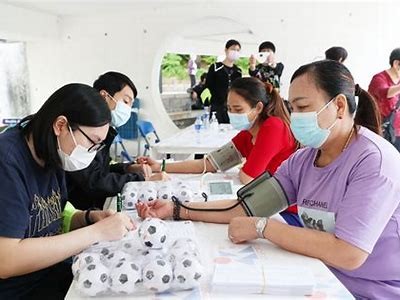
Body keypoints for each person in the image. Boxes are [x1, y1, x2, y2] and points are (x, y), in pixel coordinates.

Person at [137, 60, 400, 299]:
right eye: (292, 107)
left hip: (366, 289)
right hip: (316, 271)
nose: (295, 117)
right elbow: (245, 207)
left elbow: (349, 252)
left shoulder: (374, 161)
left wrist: (264, 228)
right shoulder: (304, 160)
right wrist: (176, 209)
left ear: (339, 106)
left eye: (303, 107)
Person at [0, 83, 135, 299]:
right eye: (92, 143)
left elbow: (52, 219)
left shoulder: (52, 153)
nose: (91, 153)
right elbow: (6, 259)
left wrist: (89, 218)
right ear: (61, 125)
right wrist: (97, 232)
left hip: (50, 273)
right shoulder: (7, 162)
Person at [139, 77, 299, 225]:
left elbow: (248, 177)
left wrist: (242, 169)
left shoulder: (274, 127)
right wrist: (161, 166)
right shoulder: (247, 133)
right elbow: (210, 163)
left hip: (284, 212)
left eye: (237, 109)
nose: (232, 114)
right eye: (229, 108)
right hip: (264, 204)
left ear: (257, 108)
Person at [66, 72, 164, 210]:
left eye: (130, 104)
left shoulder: (105, 131)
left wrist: (128, 168)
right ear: (104, 96)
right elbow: (93, 181)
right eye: (125, 101)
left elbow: (101, 169)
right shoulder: (83, 129)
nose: (128, 109)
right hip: (82, 209)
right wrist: (142, 180)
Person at [368, 48, 400, 152]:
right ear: (396, 64)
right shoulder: (379, 79)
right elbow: (384, 93)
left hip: (397, 132)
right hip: (381, 132)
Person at [205, 39, 242, 123]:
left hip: (232, 108)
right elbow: (208, 86)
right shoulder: (215, 67)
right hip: (217, 106)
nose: (235, 52)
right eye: (233, 49)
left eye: (237, 50)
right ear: (226, 50)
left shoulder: (238, 71)